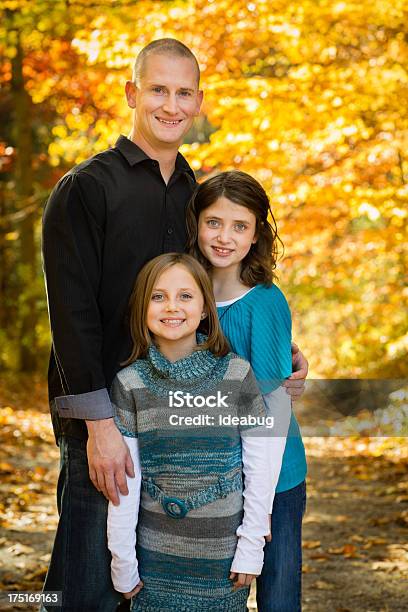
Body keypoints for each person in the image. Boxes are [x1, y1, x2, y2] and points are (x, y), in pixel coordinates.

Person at [41, 38, 308, 610]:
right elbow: (71, 314)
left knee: (156, 581)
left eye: (183, 92)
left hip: (183, 418)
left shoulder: (194, 191)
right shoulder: (88, 188)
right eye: (158, 89)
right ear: (132, 93)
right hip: (108, 419)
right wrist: (100, 428)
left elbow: (213, 291)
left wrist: (281, 349)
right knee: (86, 583)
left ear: (199, 101)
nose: (171, 104)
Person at [107, 252, 286, 611]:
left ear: (205, 309)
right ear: (142, 307)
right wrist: (122, 562)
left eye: (185, 296)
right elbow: (126, 484)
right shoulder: (130, 385)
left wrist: (251, 546)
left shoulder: (236, 374)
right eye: (158, 297)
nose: (171, 306)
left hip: (223, 561)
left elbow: (258, 465)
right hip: (155, 559)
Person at [186, 170, 308, 612]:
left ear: (257, 235)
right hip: (212, 475)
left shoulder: (265, 301)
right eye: (213, 222)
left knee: (276, 595)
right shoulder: (184, 296)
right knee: (217, 593)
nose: (224, 237)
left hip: (273, 476)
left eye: (240, 226)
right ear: (195, 223)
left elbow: (272, 409)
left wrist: (259, 506)